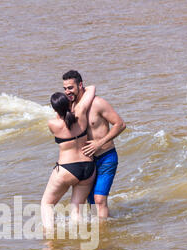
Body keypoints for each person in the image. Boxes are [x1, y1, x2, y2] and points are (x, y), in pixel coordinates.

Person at [62, 70, 126, 219]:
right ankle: (106, 227)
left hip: (106, 157)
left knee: (99, 200)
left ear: (80, 85)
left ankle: (103, 236)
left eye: (70, 87)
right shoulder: (71, 107)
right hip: (87, 161)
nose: (67, 91)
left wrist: (99, 143)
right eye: (64, 88)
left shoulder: (98, 103)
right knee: (90, 201)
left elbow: (120, 124)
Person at [41, 85, 96, 231]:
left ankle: (50, 241)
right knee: (76, 210)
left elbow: (63, 122)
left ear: (54, 109)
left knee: (47, 204)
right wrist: (74, 94)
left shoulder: (53, 124)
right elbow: (92, 88)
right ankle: (80, 242)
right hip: (88, 168)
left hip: (67, 168)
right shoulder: (81, 113)